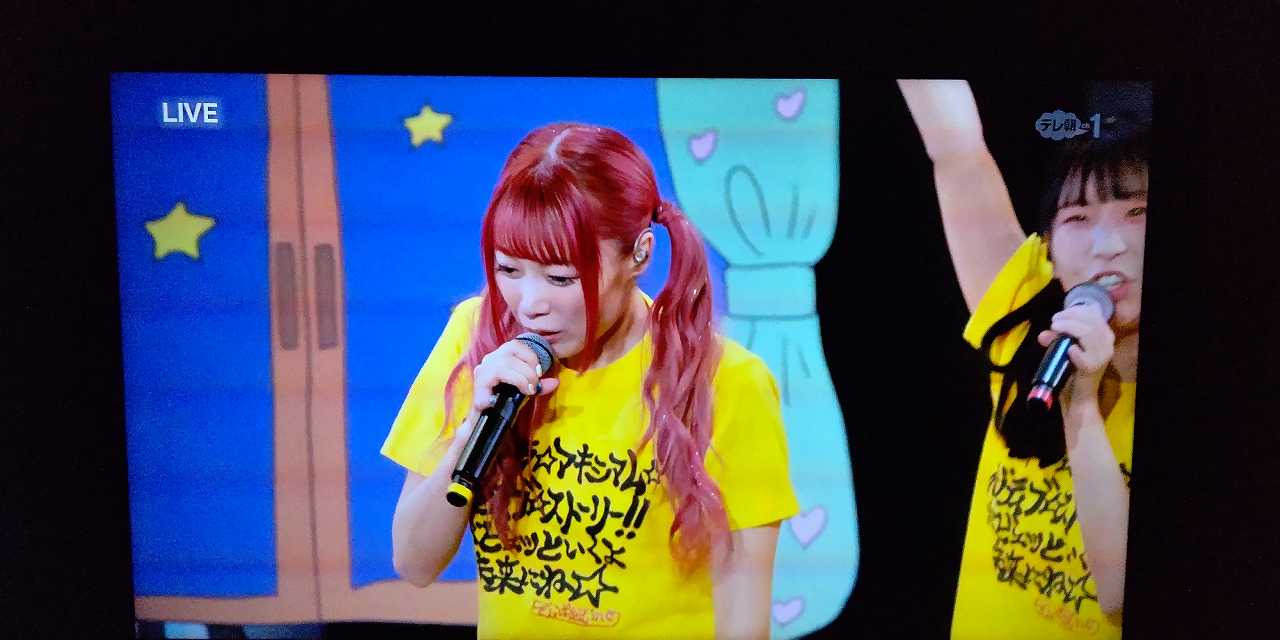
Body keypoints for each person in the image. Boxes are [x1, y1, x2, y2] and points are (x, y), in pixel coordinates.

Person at [381, 123, 800, 639]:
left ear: (639, 254)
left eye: (561, 277)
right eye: (509, 270)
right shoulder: (478, 337)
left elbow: (743, 613)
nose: (530, 305)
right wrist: (472, 429)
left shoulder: (725, 380)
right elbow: (414, 562)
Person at [898, 80, 1149, 639]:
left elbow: (1117, 595)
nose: (1107, 245)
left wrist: (1081, 404)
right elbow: (956, 148)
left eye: (1136, 211)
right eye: (1078, 218)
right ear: (1048, 249)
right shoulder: (1025, 329)